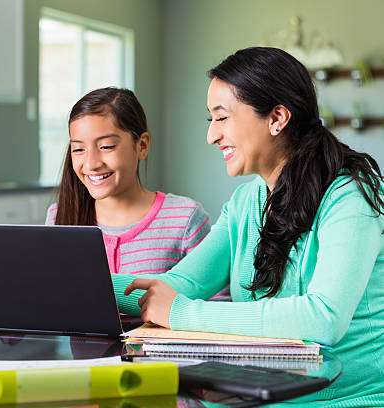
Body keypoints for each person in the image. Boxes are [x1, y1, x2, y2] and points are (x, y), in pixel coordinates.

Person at [113, 47, 384, 404]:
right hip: (254, 396)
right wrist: (69, 282)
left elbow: (324, 318)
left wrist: (181, 312)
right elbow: (182, 283)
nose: (211, 136)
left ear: (277, 118)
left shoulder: (351, 194)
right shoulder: (245, 202)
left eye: (222, 118)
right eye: (210, 119)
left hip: (340, 400)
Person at [46, 87, 213, 280]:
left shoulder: (185, 220)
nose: (91, 163)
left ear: (142, 146)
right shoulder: (57, 218)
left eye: (106, 146)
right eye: (78, 149)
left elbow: (216, 304)